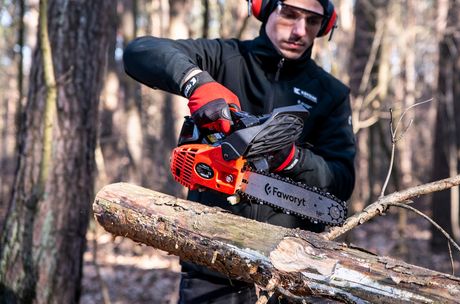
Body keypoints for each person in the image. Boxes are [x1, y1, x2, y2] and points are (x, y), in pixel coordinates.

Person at [123, 0, 355, 302]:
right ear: (265, 8)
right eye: (290, 14)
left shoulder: (331, 93)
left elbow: (342, 180)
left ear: (325, 25)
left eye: (312, 21)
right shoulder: (224, 58)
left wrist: (292, 158)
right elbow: (139, 52)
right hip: (210, 256)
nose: (300, 30)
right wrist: (196, 82)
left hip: (295, 266)